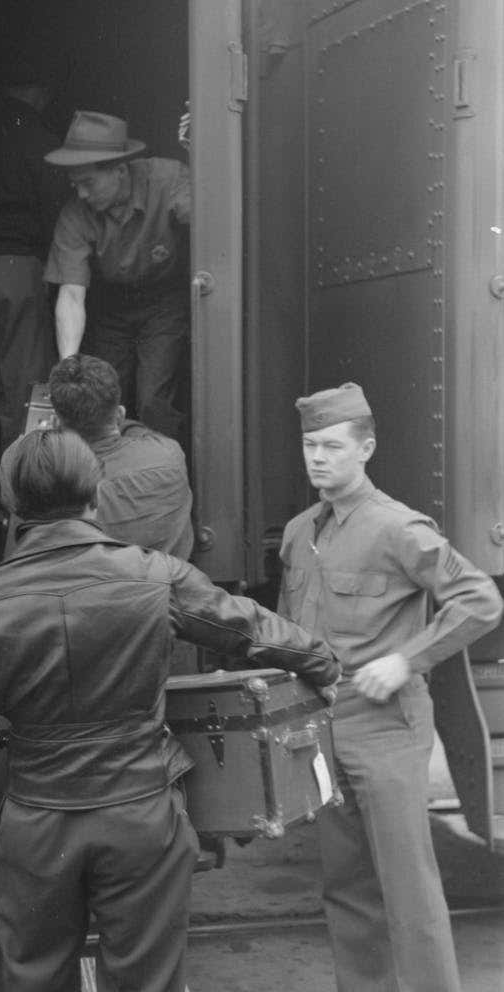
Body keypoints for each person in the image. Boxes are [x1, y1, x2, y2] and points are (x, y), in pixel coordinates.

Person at [0, 428, 340, 992]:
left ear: (11, 508)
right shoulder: (152, 574)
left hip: (37, 817)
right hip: (141, 811)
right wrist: (324, 663)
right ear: (95, 496)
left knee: (34, 978)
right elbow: (246, 626)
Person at [277, 381, 503, 992]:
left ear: (366, 448)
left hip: (385, 727)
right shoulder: (302, 532)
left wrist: (407, 660)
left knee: (408, 888)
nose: (318, 457)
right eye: (309, 445)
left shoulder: (397, 527)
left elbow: (480, 600)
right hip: (323, 726)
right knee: (346, 886)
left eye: (332, 446)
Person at [44, 111, 190, 443]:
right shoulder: (74, 215)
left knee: (154, 399)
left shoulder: (167, 179)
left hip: (164, 303)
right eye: (74, 184)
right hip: (110, 309)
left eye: (88, 183)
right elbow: (71, 294)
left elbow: (209, 218)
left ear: (120, 171)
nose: (80, 194)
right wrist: (69, 369)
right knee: (105, 397)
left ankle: (160, 475)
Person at [0, 62, 69, 527]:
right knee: (26, 394)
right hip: (19, 271)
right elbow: (56, 216)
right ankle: (19, 512)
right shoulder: (40, 138)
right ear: (42, 93)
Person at [0, 354, 194, 558]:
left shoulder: (20, 465)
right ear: (119, 415)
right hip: (157, 588)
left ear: (56, 422)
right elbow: (141, 433)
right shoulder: (168, 455)